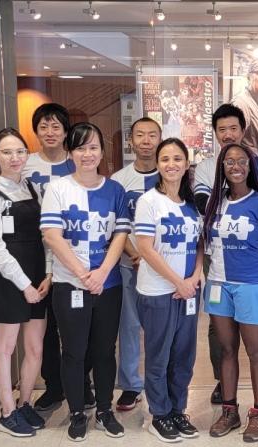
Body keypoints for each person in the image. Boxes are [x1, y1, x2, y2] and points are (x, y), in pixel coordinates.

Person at [41, 122, 131, 442]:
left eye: (93, 147)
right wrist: (82, 274)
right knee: (74, 351)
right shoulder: (58, 188)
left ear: (102, 151)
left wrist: (103, 272)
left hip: (108, 284)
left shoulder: (115, 190)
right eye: (80, 147)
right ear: (70, 152)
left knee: (105, 350)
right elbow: (52, 235)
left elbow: (120, 234)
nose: (87, 154)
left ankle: (104, 410)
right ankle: (78, 411)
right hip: (70, 284)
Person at [204, 143, 258, 442]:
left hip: (251, 285)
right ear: (222, 167)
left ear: (250, 167)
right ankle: (229, 411)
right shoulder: (215, 202)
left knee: (255, 350)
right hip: (218, 285)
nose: (235, 165)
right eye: (229, 161)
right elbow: (207, 248)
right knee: (226, 350)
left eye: (241, 161)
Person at [192, 104, 258, 404]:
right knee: (222, 335)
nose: (228, 134)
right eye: (222, 130)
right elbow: (204, 204)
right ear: (215, 134)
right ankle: (223, 389)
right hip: (217, 264)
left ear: (242, 130)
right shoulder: (206, 166)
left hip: (252, 263)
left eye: (233, 129)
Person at [0, 128, 52, 438]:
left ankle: (25, 403)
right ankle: (7, 411)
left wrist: (48, 274)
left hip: (38, 275)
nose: (14, 158)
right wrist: (23, 284)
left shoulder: (35, 189)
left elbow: (47, 236)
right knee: (6, 347)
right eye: (7, 152)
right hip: (9, 279)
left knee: (35, 347)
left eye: (20, 151)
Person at [133, 138, 204, 442]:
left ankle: (178, 409)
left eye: (177, 158)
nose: (171, 164)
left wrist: (195, 277)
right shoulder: (149, 201)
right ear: (158, 164)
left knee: (184, 356)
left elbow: (201, 246)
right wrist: (178, 282)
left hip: (189, 291)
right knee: (159, 355)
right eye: (165, 159)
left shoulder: (192, 206)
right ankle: (158, 414)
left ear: (187, 164)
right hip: (159, 291)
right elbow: (146, 250)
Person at [22, 103, 84, 414]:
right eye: (44, 127)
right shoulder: (25, 164)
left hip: (72, 257)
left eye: (56, 126)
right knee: (42, 328)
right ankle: (53, 386)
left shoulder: (77, 164)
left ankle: (81, 384)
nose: (50, 132)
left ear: (65, 131)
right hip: (33, 255)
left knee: (74, 326)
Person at [109, 117, 161, 412]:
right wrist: (135, 253)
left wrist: (154, 255)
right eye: (139, 135)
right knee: (128, 326)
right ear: (131, 141)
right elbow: (118, 225)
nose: (145, 140)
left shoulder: (170, 174)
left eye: (152, 135)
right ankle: (130, 384)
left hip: (164, 266)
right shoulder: (118, 180)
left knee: (162, 328)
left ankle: (161, 380)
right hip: (130, 263)